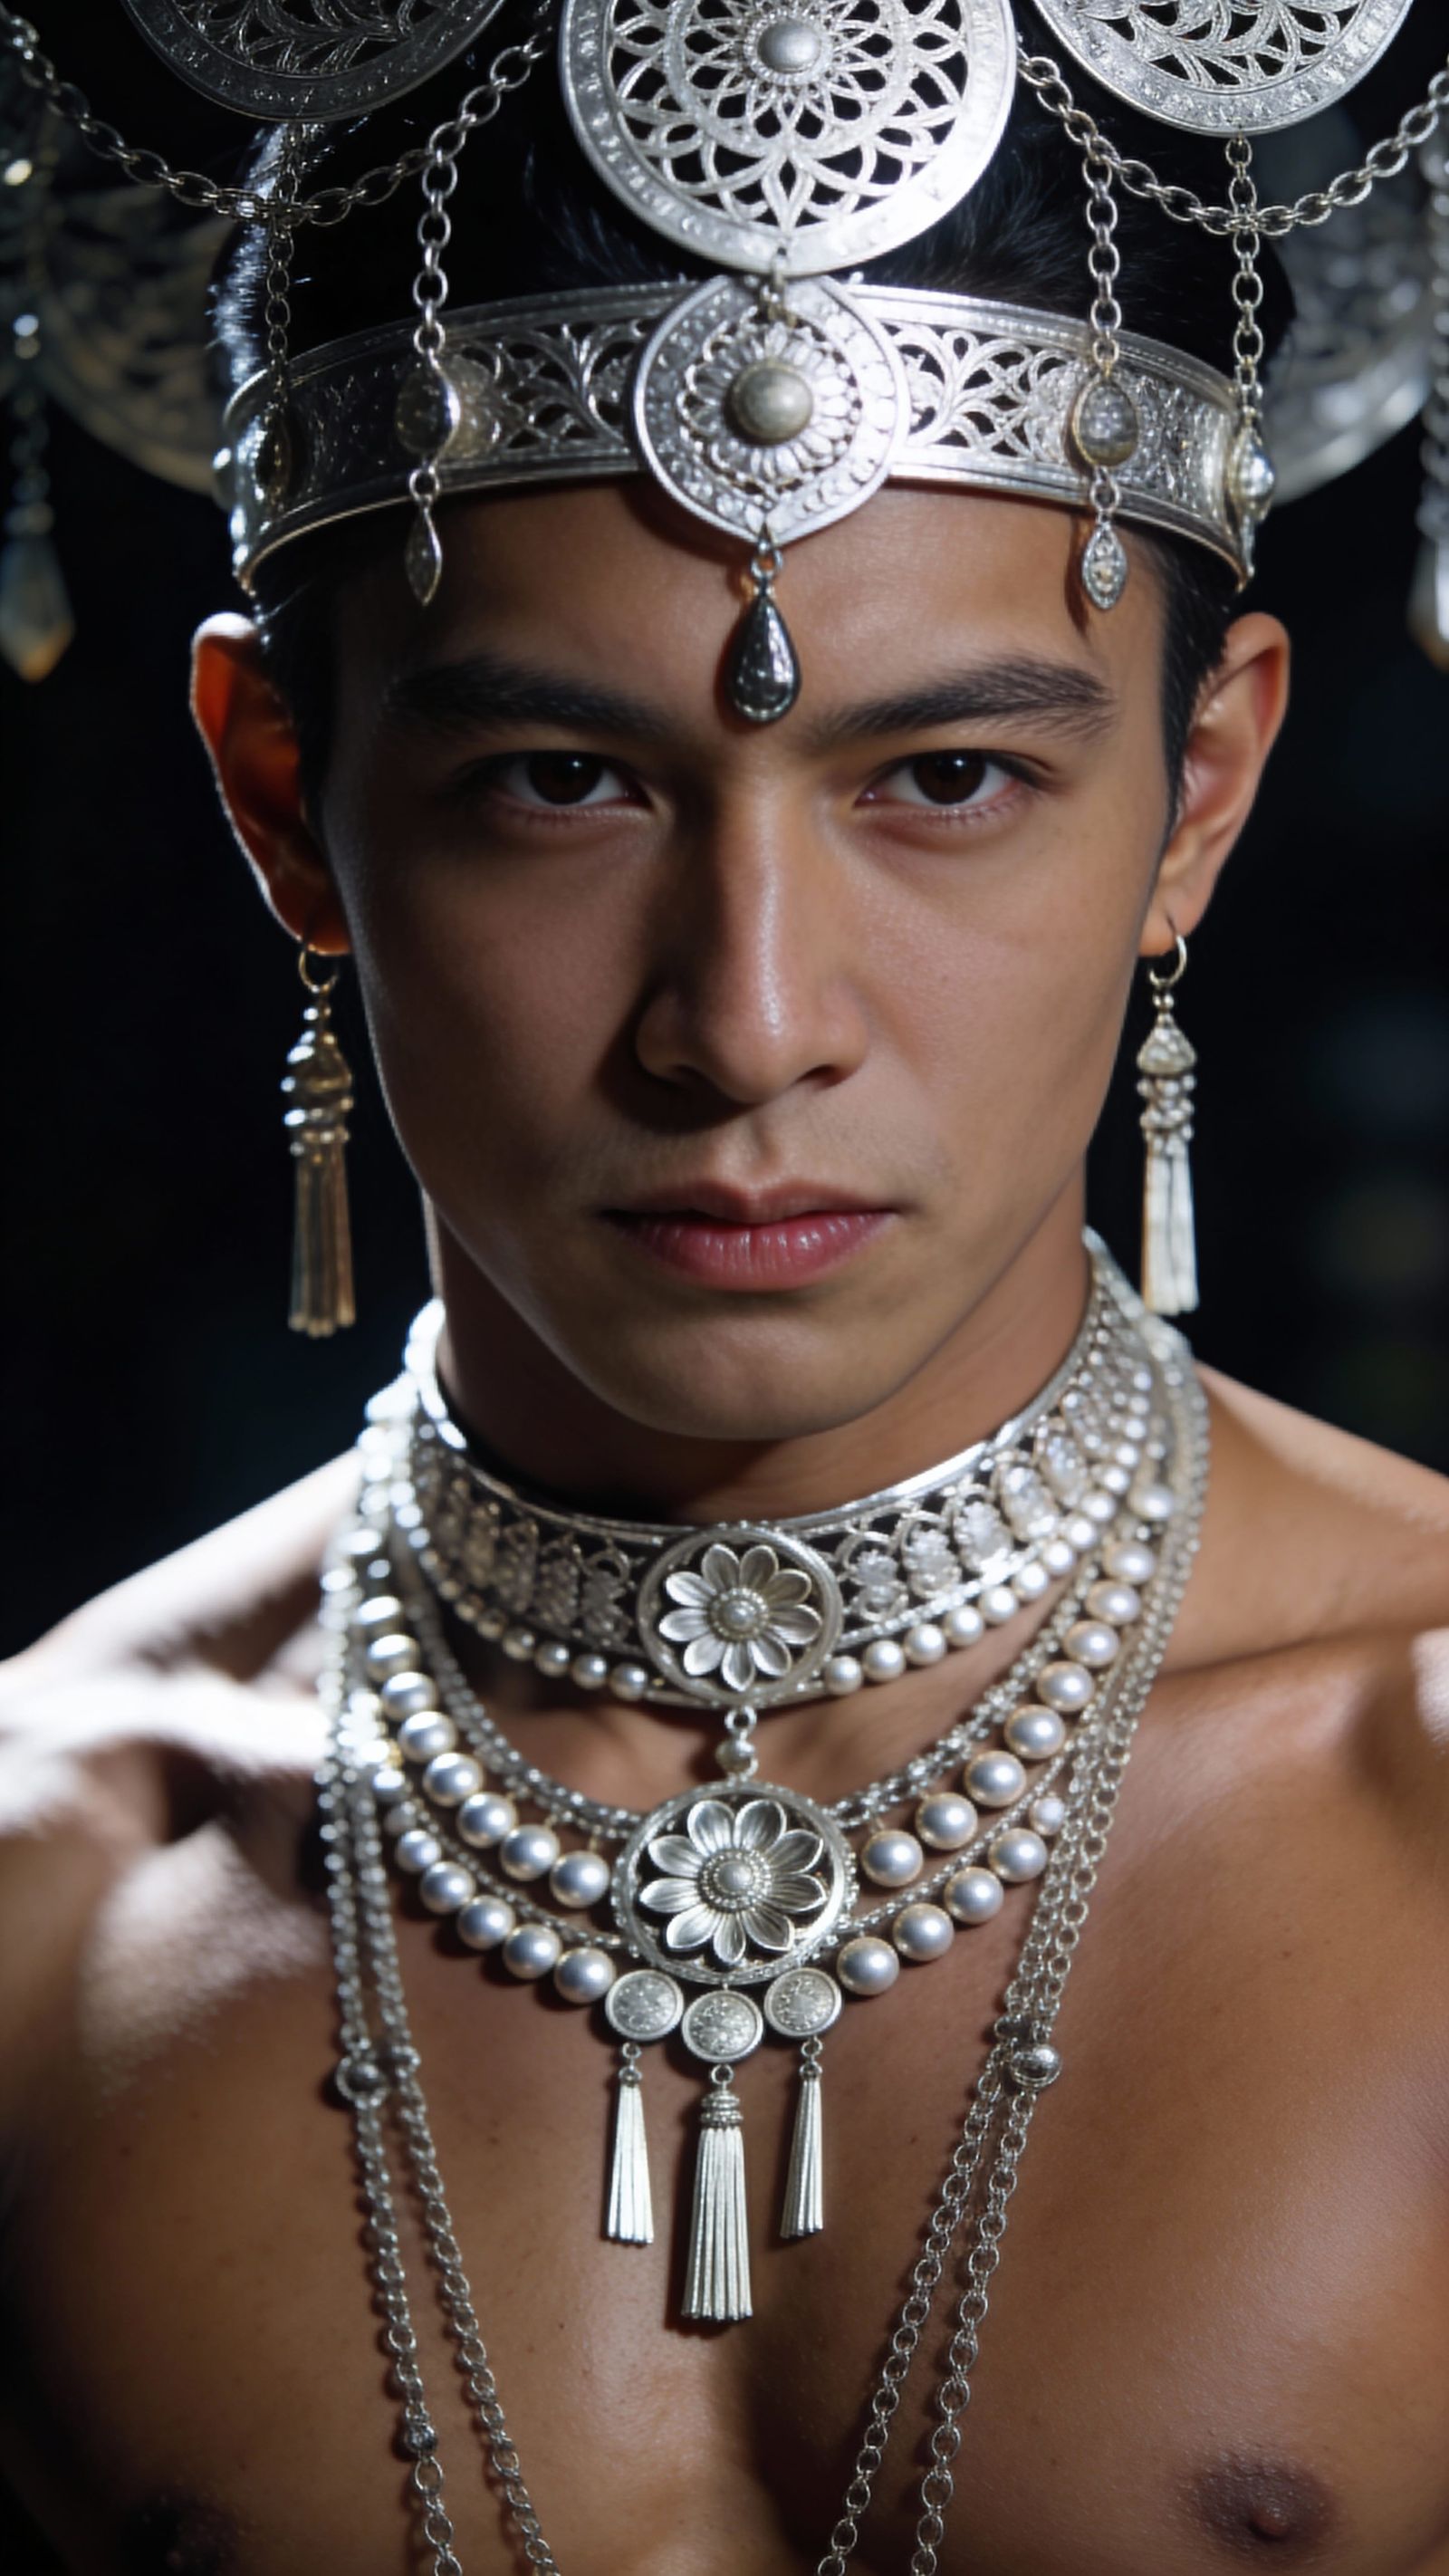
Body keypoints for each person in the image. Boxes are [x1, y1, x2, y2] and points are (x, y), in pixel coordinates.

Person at [3, 28, 1449, 2576]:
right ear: (279, 802)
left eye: (947, 779)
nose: (748, 1017)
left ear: (1196, 796)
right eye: (562, 782)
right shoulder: (52, 1898)